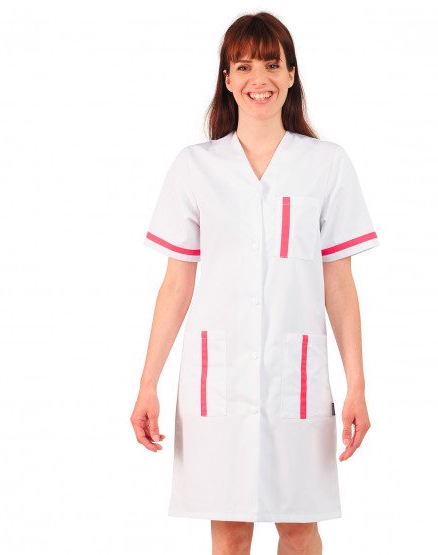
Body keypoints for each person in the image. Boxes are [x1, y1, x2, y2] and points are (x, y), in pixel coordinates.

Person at [131, 11, 380, 555]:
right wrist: (148, 383)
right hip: (216, 379)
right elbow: (176, 284)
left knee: (298, 526)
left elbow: (340, 285)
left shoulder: (326, 165)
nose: (258, 78)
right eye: (243, 66)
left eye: (271, 64)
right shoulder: (195, 167)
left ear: (291, 74)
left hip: (297, 378)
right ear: (226, 79)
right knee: (228, 530)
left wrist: (357, 385)